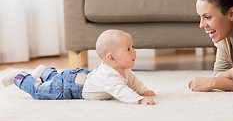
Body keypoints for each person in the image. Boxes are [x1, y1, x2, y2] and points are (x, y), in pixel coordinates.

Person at [1, 30, 156, 105]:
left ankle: (44, 71)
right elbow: (122, 92)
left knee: (58, 79)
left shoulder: (122, 69)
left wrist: (143, 90)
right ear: (112, 58)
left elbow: (133, 81)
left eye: (132, 47)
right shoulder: (110, 77)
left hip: (80, 77)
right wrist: (139, 99)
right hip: (70, 87)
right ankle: (18, 76)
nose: (134, 51)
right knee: (39, 92)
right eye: (128, 49)